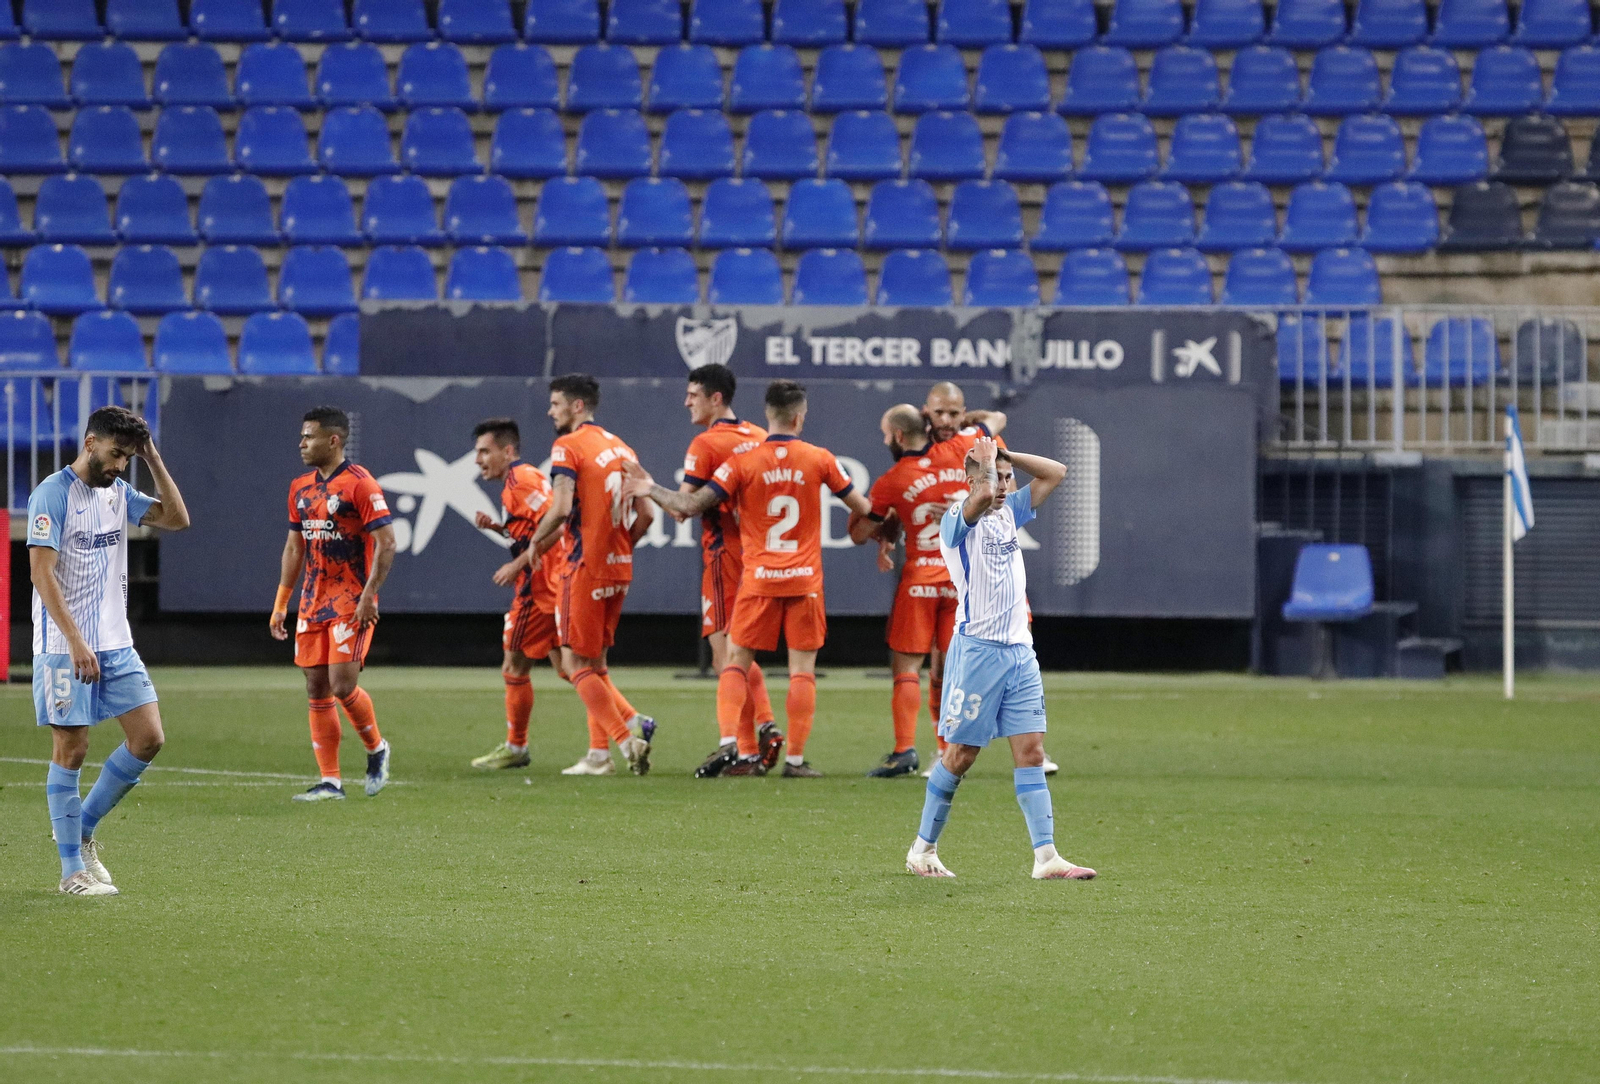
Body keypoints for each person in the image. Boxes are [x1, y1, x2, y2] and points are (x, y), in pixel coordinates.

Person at [625, 380, 872, 777]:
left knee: (736, 662)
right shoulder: (820, 457)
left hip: (758, 578)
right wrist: (880, 530)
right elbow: (863, 510)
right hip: (804, 579)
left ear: (769, 413)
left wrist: (648, 487)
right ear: (799, 416)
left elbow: (688, 505)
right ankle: (794, 761)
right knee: (802, 670)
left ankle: (729, 744)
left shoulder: (743, 461)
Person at [906, 437, 1096, 881]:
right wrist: (989, 466)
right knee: (961, 755)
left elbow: (1056, 472)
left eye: (1009, 478)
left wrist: (1007, 457)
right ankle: (922, 849)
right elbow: (985, 495)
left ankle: (1046, 858)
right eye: (996, 477)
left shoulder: (1010, 511)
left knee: (1031, 753)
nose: (1005, 486)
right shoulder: (957, 522)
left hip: (1020, 655)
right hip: (978, 653)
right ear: (970, 481)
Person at [30, 406, 190, 896]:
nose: (121, 464)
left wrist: (154, 458)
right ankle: (71, 872)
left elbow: (178, 519)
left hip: (116, 643)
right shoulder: (53, 495)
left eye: (129, 457)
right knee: (72, 749)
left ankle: (81, 830)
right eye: (116, 453)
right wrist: (76, 641)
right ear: (89, 442)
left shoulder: (118, 492)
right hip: (64, 645)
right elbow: (42, 574)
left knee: (149, 737)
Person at [527, 374, 657, 777]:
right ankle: (599, 755)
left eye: (555, 403)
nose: (550, 411)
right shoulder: (622, 447)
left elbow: (562, 507)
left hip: (582, 568)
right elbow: (648, 513)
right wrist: (620, 548)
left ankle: (624, 739)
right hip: (619, 569)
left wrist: (536, 541)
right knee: (596, 664)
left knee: (572, 663)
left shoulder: (567, 446)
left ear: (577, 406)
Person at [270, 407, 397, 802]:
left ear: (334, 440)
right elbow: (295, 546)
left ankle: (377, 748)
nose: (301, 444)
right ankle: (331, 782)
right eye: (302, 436)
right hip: (312, 601)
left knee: (343, 685)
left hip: (351, 602)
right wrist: (281, 603)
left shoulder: (361, 485)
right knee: (315, 686)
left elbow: (388, 542)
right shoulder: (300, 488)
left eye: (308, 437)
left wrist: (368, 594)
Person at [848, 404, 971, 777]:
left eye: (887, 434)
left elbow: (857, 532)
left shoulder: (894, 478)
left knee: (907, 668)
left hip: (919, 581)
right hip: (959, 581)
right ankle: (949, 751)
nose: (886, 440)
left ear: (899, 437)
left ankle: (904, 751)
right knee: (950, 670)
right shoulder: (958, 455)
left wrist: (884, 526)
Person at [674, 364, 784, 778]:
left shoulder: (706, 444)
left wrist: (645, 488)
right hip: (759, 557)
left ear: (715, 398)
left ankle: (753, 739)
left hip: (724, 557)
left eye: (693, 394)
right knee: (741, 652)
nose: (687, 401)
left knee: (727, 659)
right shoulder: (758, 436)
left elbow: (683, 508)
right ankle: (756, 740)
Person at [467, 418, 569, 770]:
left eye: (485, 451)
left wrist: (517, 566)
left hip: (538, 588)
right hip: (553, 583)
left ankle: (516, 746)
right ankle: (628, 727)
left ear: (507, 451)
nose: (478, 459)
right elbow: (536, 528)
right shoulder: (520, 481)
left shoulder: (521, 481)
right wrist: (498, 527)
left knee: (514, 665)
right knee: (573, 669)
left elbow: (558, 526)